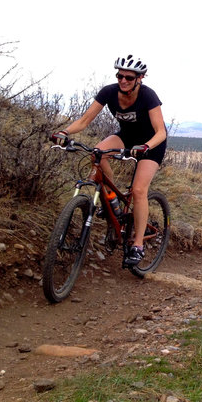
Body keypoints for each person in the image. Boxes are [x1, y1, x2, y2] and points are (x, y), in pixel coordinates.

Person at [51, 54, 167, 268]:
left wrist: (146, 147)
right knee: (97, 153)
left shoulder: (148, 96)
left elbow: (161, 131)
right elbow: (85, 120)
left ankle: (138, 245)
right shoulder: (109, 92)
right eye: (120, 76)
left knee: (139, 191)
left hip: (151, 145)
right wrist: (64, 132)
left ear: (139, 78)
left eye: (129, 78)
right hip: (127, 138)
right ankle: (111, 198)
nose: (123, 80)